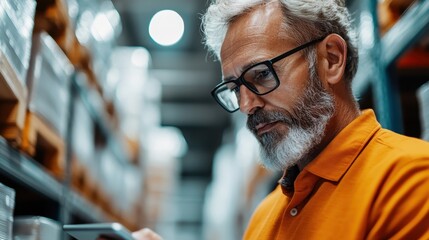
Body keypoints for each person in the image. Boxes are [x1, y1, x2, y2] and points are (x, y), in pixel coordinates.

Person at [133, 0, 429, 239]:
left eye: (261, 75)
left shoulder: (411, 180)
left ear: (332, 59)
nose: (247, 105)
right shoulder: (265, 215)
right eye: (235, 89)